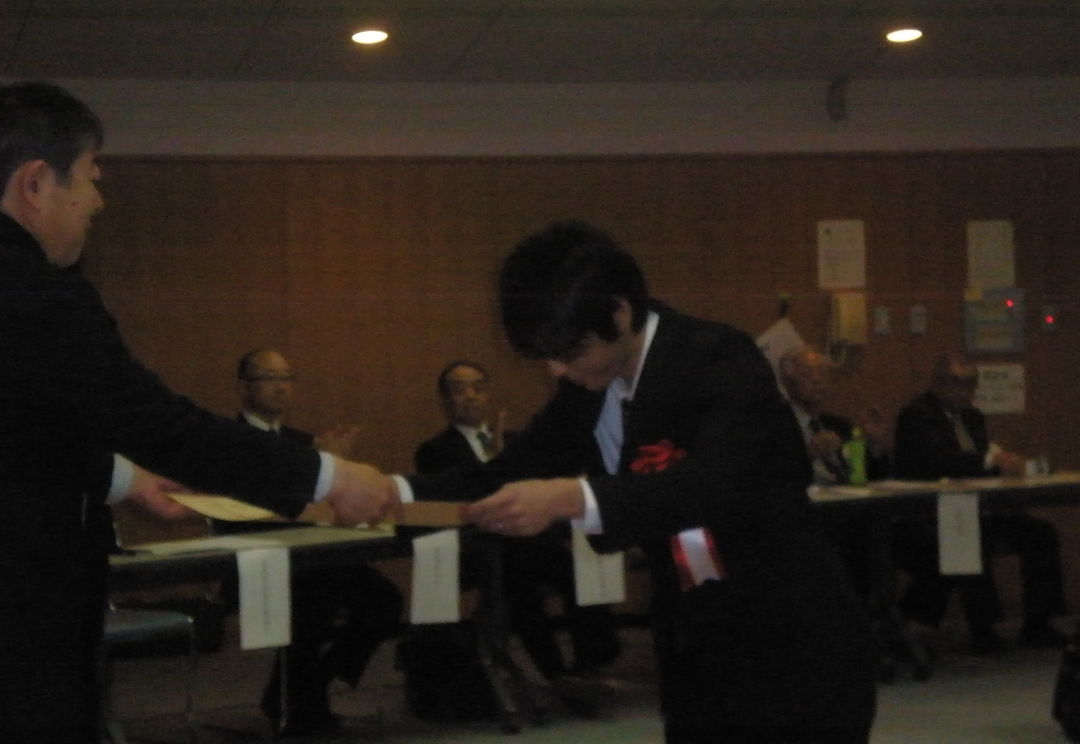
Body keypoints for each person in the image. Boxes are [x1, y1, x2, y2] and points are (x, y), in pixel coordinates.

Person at [0, 82, 400, 744]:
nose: (98, 200)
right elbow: (157, 421)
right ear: (35, 183)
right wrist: (327, 477)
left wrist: (124, 480)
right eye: (90, 176)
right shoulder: (32, 289)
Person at [404, 221, 878, 744]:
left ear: (619, 312)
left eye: (570, 350)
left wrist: (571, 497)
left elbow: (708, 486)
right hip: (694, 641)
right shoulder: (589, 384)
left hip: (790, 632)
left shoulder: (719, 356)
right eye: (548, 356)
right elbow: (505, 472)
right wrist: (395, 494)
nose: (557, 370)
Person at [223, 349, 403, 737]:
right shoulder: (229, 441)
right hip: (256, 556)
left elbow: (327, 509)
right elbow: (252, 508)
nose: (280, 387)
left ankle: (307, 687)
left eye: (287, 378)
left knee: (385, 601)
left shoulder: (303, 442)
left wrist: (335, 471)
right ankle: (301, 702)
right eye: (269, 378)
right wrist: (316, 465)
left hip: (312, 557)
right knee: (314, 600)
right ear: (244, 388)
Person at [415, 359, 620, 679]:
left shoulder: (515, 442)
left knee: (582, 569)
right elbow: (460, 500)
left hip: (532, 540)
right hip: (482, 545)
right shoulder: (434, 450)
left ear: (488, 395)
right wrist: (496, 465)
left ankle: (591, 659)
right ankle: (555, 674)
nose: (470, 396)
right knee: (521, 589)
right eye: (459, 389)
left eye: (478, 388)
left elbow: (536, 486)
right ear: (445, 400)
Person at [892, 351, 1066, 653]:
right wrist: (991, 462)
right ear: (938, 383)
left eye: (970, 384)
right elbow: (939, 461)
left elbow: (982, 460)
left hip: (979, 508)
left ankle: (1039, 624)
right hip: (932, 515)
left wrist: (1007, 464)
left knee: (1041, 534)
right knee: (971, 537)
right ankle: (984, 629)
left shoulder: (972, 417)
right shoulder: (917, 415)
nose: (964, 391)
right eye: (956, 383)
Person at [777, 344, 892, 487]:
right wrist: (809, 454)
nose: (817, 380)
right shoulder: (775, 424)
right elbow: (768, 476)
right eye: (807, 373)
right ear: (787, 382)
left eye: (822, 373)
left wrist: (875, 444)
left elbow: (874, 479)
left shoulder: (839, 426)